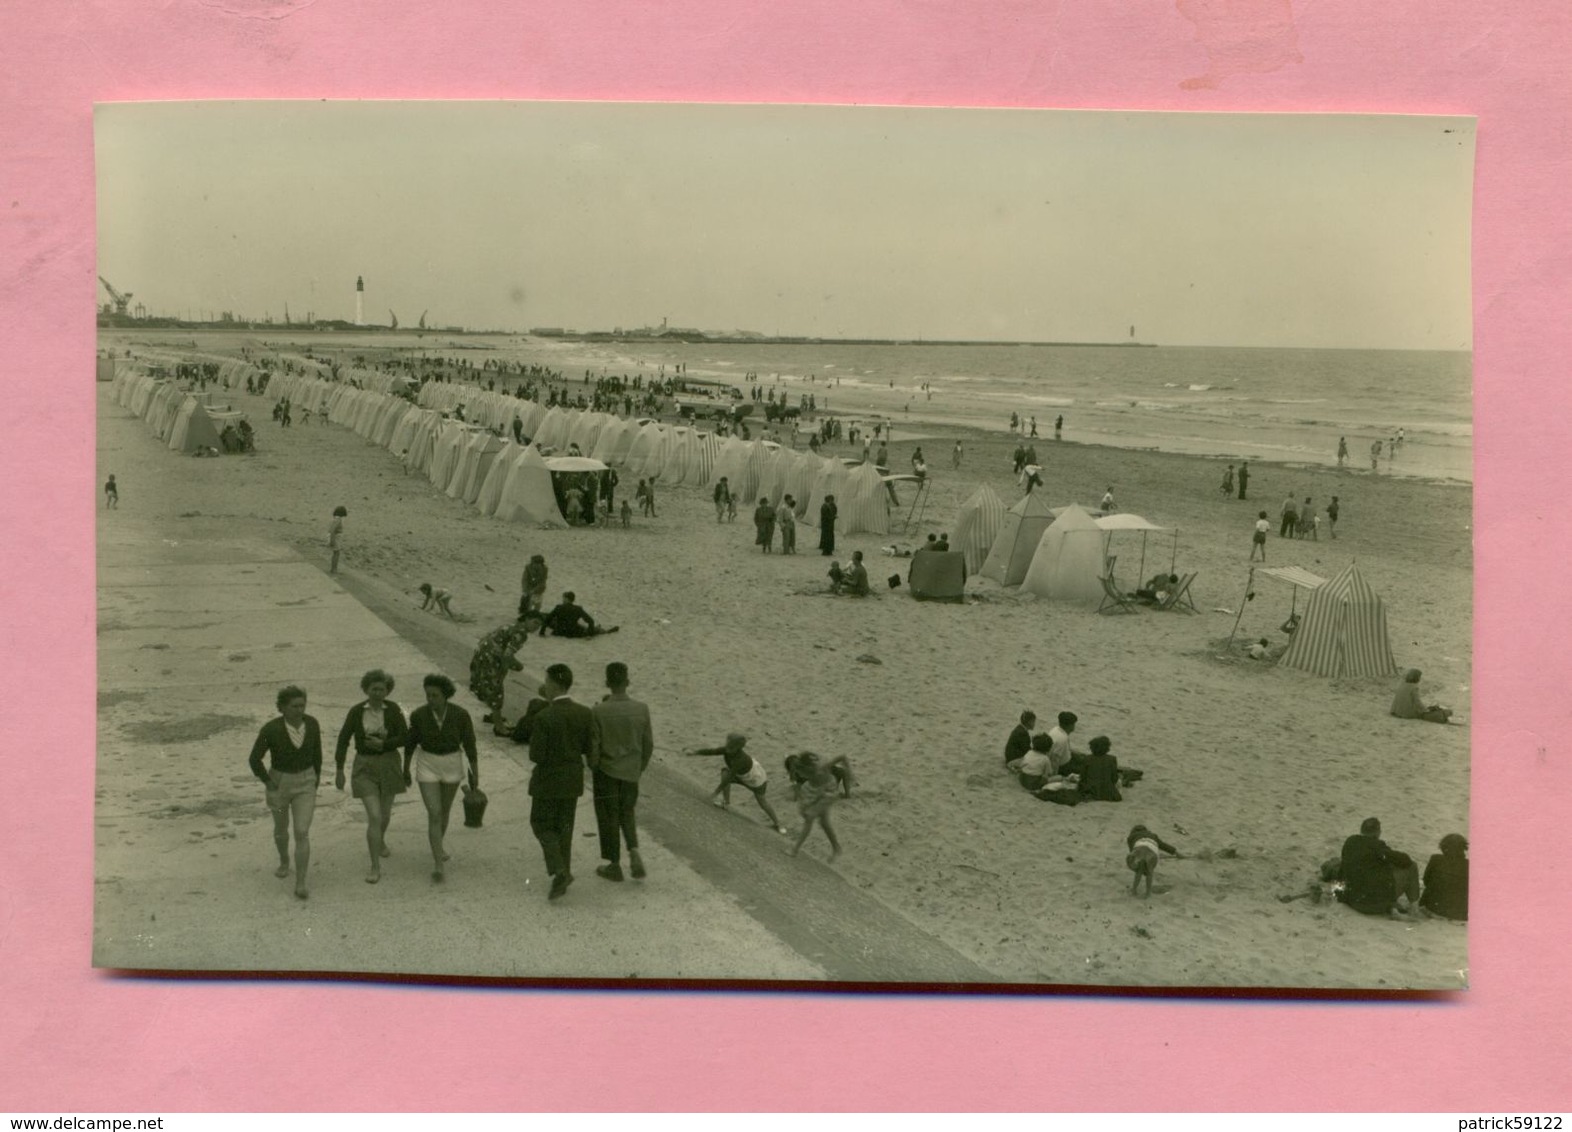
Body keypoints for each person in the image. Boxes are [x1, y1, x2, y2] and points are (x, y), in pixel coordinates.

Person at [333, 669, 410, 884]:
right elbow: (343, 738)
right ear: (366, 689)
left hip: (389, 763)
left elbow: (405, 737)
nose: (377, 693)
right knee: (374, 816)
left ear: (388, 691)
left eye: (382, 689)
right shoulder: (356, 711)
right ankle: (375, 866)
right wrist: (339, 769)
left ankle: (380, 840)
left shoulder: (394, 709)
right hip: (364, 766)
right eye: (373, 689)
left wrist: (385, 743)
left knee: (384, 815)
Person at [402, 674, 479, 883]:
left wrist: (475, 773)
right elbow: (410, 744)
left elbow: (470, 745)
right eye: (428, 695)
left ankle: (438, 845)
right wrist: (405, 769)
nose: (431, 699)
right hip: (427, 763)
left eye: (435, 695)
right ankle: (438, 864)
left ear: (446, 696)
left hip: (452, 762)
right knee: (434, 812)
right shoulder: (419, 715)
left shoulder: (461, 715)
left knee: (444, 812)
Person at [247, 685, 322, 899]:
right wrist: (268, 781)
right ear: (282, 707)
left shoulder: (313, 724)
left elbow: (317, 753)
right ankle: (284, 860)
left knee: (301, 831)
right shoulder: (271, 729)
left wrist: (314, 779)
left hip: (306, 782)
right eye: (294, 706)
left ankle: (300, 882)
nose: (299, 710)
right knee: (281, 829)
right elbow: (254, 759)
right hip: (279, 782)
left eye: (302, 705)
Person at [528, 663, 595, 900]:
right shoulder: (585, 713)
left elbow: (536, 755)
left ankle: (559, 870)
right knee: (564, 828)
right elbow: (589, 749)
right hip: (572, 779)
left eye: (546, 682)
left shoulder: (544, 716)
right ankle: (562, 876)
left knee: (541, 823)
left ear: (554, 686)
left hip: (548, 780)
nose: (544, 686)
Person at [588, 662, 654, 882]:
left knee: (608, 816)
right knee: (627, 812)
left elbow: (594, 746)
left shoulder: (598, 710)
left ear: (607, 683)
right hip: (631, 771)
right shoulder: (641, 709)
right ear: (627, 682)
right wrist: (639, 766)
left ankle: (614, 865)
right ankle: (633, 850)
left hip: (607, 771)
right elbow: (648, 744)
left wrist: (594, 766)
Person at [685, 732, 786, 833]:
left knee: (762, 801)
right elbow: (712, 751)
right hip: (740, 776)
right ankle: (725, 803)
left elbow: (729, 778)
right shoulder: (727, 749)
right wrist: (695, 752)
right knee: (724, 772)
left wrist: (714, 793)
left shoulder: (740, 760)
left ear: (738, 749)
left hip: (756, 779)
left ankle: (778, 824)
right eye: (727, 746)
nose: (727, 750)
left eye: (731, 748)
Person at [1337, 817, 1420, 917]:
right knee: (1412, 866)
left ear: (1361, 830)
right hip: (1371, 905)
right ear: (1378, 832)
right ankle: (1414, 905)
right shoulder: (1378, 846)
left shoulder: (1350, 841)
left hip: (1350, 899)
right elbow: (1406, 860)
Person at [469, 620, 534, 730]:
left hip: (481, 654)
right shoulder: (521, 633)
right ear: (527, 619)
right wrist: (517, 666)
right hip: (492, 659)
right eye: (535, 622)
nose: (536, 627)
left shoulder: (510, 625)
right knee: (496, 690)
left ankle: (494, 716)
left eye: (539, 624)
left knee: (488, 686)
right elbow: (507, 655)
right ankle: (499, 727)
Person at [787, 752, 845, 861]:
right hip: (815, 790)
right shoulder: (802, 767)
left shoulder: (821, 768)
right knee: (824, 823)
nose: (801, 774)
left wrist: (850, 773)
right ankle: (836, 848)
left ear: (809, 768)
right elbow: (795, 773)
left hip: (828, 791)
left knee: (810, 817)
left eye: (802, 772)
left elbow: (842, 756)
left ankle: (795, 849)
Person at [1419, 833, 1468, 921]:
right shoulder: (1469, 865)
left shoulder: (1436, 859)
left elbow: (1426, 880)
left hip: (1432, 908)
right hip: (1460, 913)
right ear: (1463, 848)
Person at [1126, 824, 1180, 898]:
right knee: (1149, 872)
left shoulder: (1131, 837)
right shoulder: (1153, 835)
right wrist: (1176, 852)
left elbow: (1132, 850)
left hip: (1139, 848)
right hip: (1152, 849)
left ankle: (1134, 890)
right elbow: (1163, 846)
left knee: (1139, 871)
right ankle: (1148, 893)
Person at [541, 591, 619, 637]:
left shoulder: (558, 607)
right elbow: (590, 621)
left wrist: (542, 632)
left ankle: (598, 629)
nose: (562, 600)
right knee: (592, 629)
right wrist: (589, 635)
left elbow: (548, 619)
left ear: (567, 599)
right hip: (574, 633)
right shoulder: (578, 609)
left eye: (563, 598)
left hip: (559, 632)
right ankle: (605, 631)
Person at [1077, 736, 1122, 802]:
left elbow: (1083, 777)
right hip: (1108, 793)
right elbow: (1114, 778)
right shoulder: (1112, 759)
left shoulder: (1087, 759)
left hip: (1091, 791)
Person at [520, 554, 548, 618]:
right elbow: (524, 579)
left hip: (539, 589)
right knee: (527, 603)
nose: (534, 565)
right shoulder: (528, 567)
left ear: (540, 564)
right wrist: (525, 590)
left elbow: (542, 582)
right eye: (533, 563)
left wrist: (534, 590)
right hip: (528, 587)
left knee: (537, 605)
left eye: (536, 564)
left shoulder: (545, 569)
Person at [328, 505, 347, 574]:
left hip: (335, 536)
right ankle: (334, 569)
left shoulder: (335, 519)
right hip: (336, 537)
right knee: (336, 553)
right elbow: (332, 530)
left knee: (336, 553)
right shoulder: (338, 520)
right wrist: (332, 540)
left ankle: (333, 568)